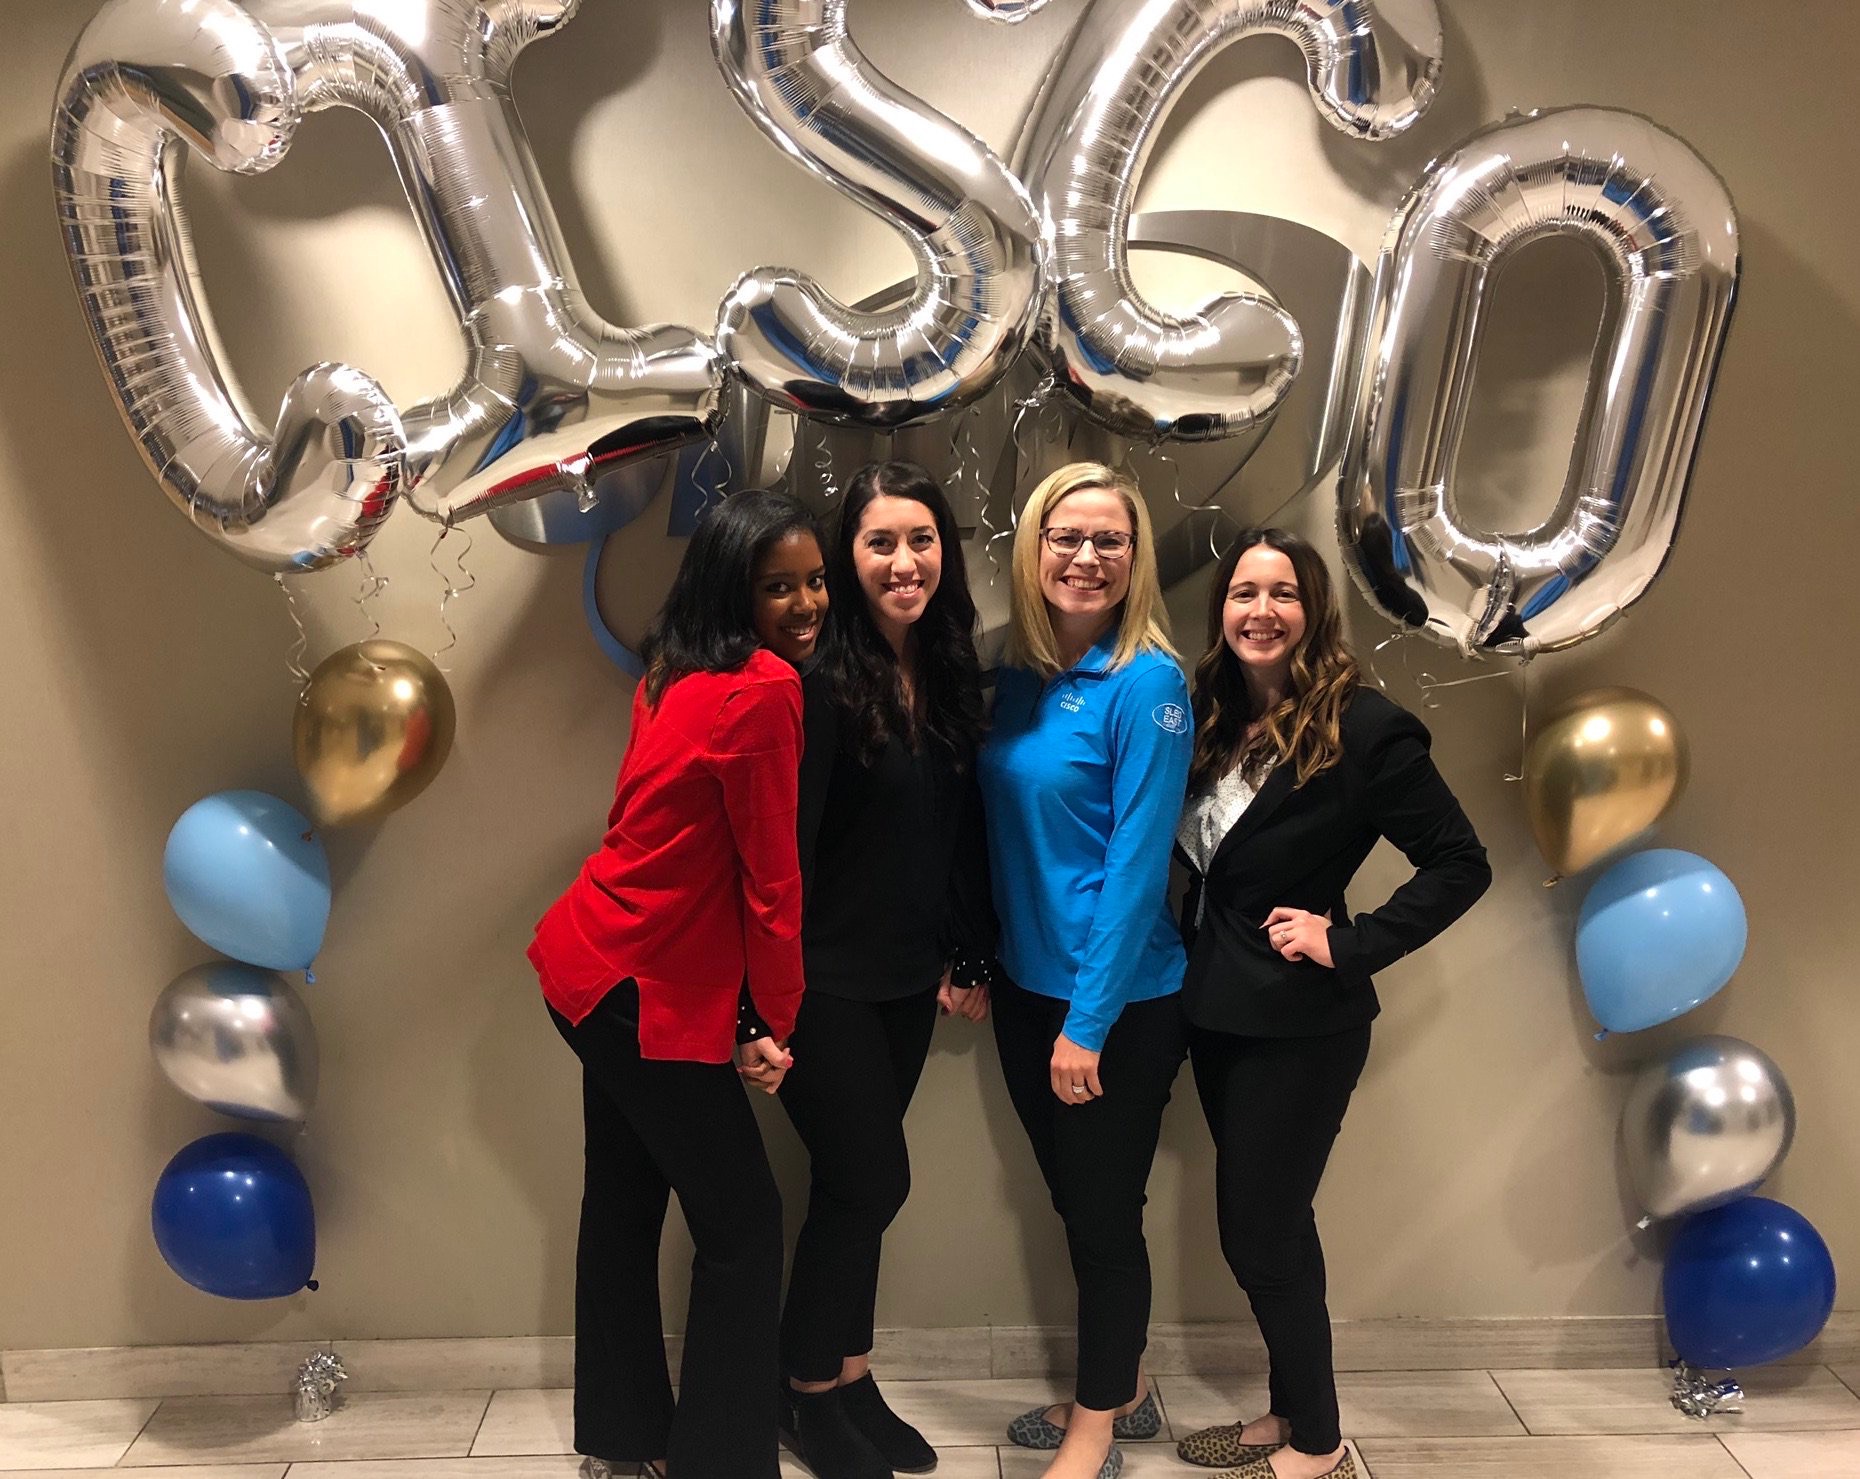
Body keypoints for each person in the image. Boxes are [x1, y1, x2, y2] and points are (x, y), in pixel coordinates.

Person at [1171, 529, 1491, 1479]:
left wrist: (1347, 943)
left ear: (1314, 612)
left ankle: (1321, 1446)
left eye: (1284, 594)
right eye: (1243, 593)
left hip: (1302, 1025)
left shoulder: (1366, 727)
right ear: (1221, 610)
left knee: (1259, 1228)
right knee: (1273, 1226)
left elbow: (1461, 863)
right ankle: (1291, 1410)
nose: (1260, 611)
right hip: (1217, 1013)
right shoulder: (1209, 712)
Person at [528, 489, 827, 1479]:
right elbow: (770, 880)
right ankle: (721, 1463)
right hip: (637, 990)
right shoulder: (766, 688)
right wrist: (773, 1021)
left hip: (584, 968)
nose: (805, 601)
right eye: (777, 585)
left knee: (620, 1206)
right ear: (731, 586)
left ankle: (625, 1444)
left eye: (813, 581)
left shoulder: (671, 668)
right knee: (744, 1229)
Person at [739, 461, 994, 1479]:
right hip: (821, 984)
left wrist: (964, 950)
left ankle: (848, 1371)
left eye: (921, 539)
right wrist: (759, 1008)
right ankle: (801, 1390)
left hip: (903, 979)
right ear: (847, 562)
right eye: (881, 543)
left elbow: (953, 834)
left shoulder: (947, 672)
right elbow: (778, 859)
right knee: (868, 1179)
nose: (904, 561)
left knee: (862, 1190)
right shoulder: (813, 688)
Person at [978, 462, 1192, 1479]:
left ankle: (1097, 1425)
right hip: (1025, 990)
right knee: (1075, 1205)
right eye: (1067, 536)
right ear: (1034, 548)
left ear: (1136, 559)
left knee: (1105, 1221)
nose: (1087, 556)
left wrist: (1089, 1024)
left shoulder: (1147, 683)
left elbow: (1138, 870)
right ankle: (1132, 1389)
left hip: (1116, 1005)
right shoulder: (1013, 673)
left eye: (1110, 540)